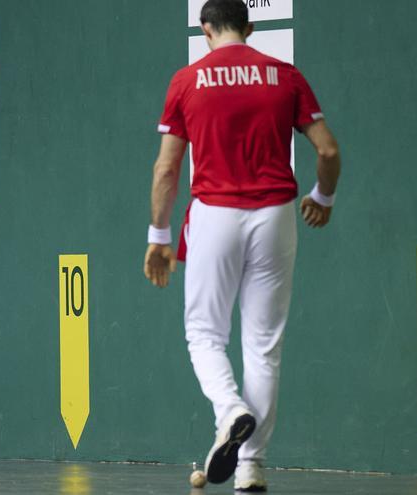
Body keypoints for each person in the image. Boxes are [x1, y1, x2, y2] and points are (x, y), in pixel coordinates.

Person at [143, 0, 341, 490]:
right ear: (249, 28)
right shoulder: (285, 76)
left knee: (205, 335)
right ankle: (251, 466)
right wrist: (324, 196)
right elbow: (329, 150)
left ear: (206, 30)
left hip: (216, 215)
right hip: (276, 217)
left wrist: (159, 235)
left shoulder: (186, 81)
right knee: (263, 345)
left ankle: (230, 409)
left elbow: (167, 169)